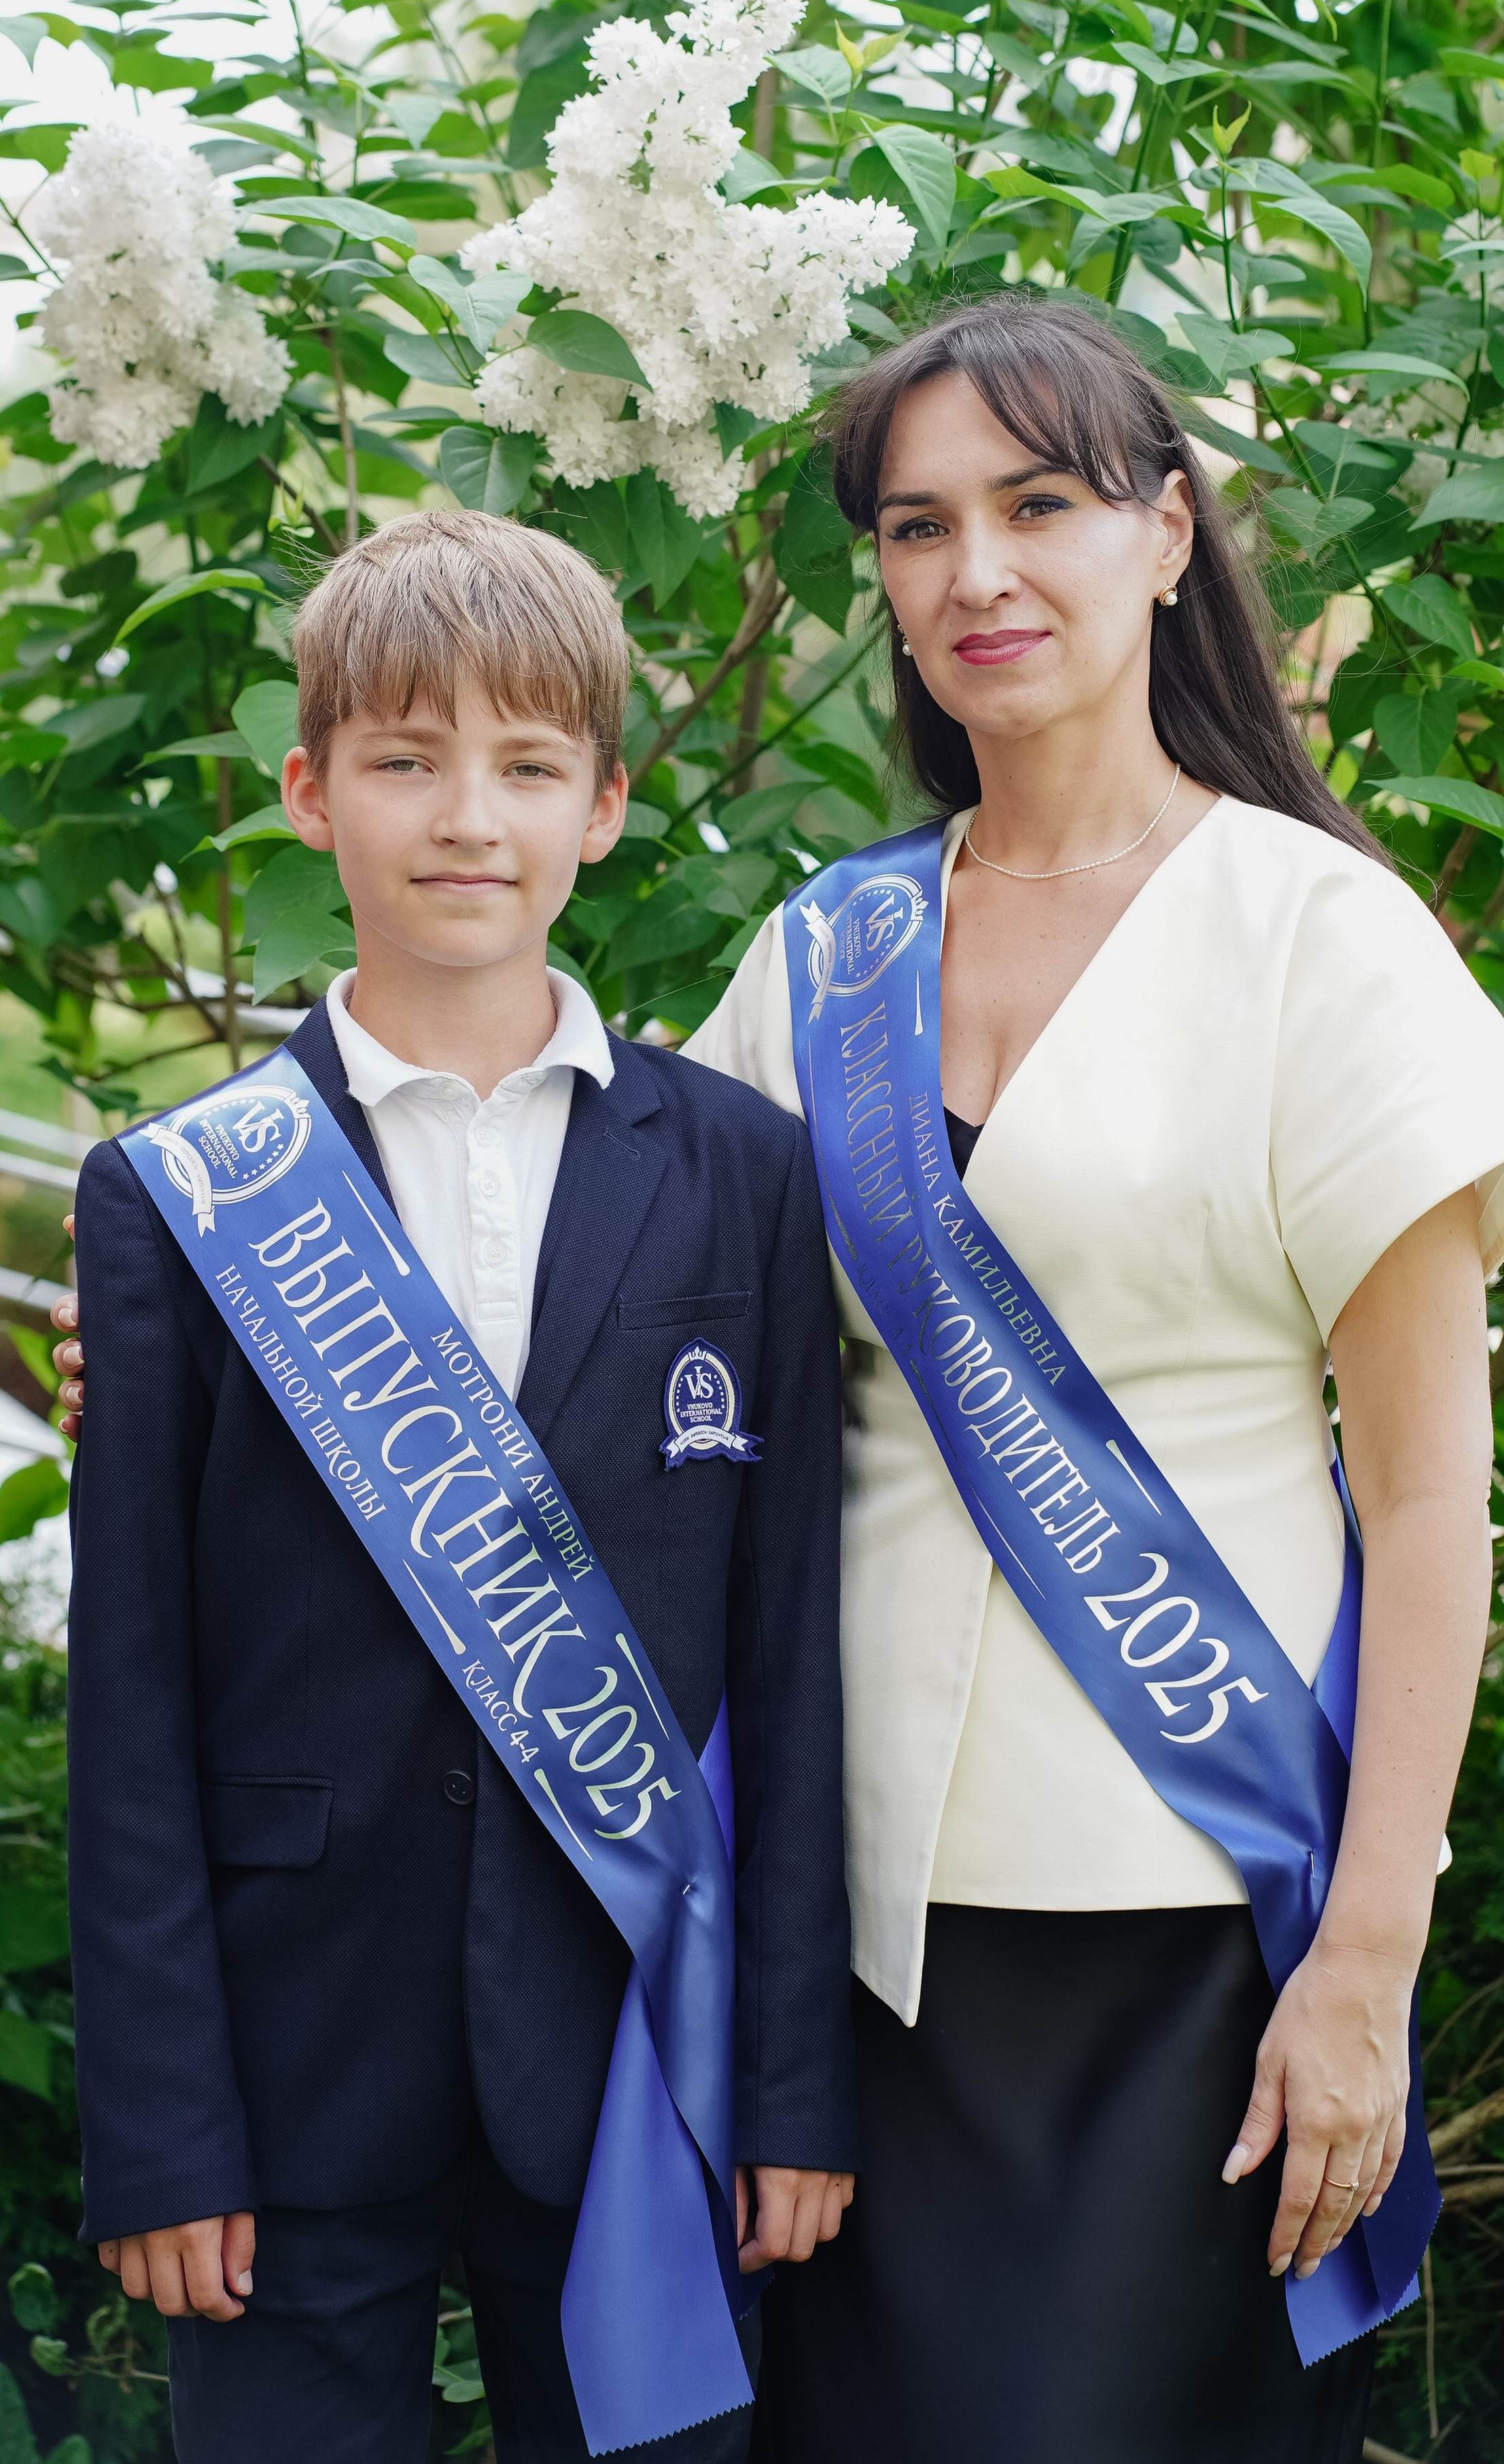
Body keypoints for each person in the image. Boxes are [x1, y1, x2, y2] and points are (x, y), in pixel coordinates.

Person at [678, 297, 1504, 2463]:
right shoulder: (824, 955)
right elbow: (675, 1376)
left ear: (1169, 536)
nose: (976, 574)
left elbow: (1427, 1502)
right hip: (857, 1939)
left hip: (1196, 1932)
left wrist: (1365, 1961)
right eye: (917, 527)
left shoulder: (1318, 937)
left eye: (1041, 506)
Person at [59, 510, 855, 2464]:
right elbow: (135, 1699)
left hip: (635, 2068)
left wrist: (790, 2090)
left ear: (604, 807)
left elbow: (794, 1655)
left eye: (527, 764)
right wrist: (161, 2125)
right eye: (406, 760)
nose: (466, 816)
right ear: (310, 792)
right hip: (285, 2061)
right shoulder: (181, 1191)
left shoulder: (743, 1171)